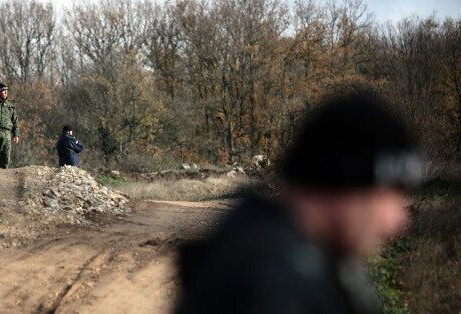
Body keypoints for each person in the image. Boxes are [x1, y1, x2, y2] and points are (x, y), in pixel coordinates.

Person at [175, 86, 423, 314]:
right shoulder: (271, 288)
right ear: (340, 181)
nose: (398, 221)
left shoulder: (288, 261)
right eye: (390, 195)